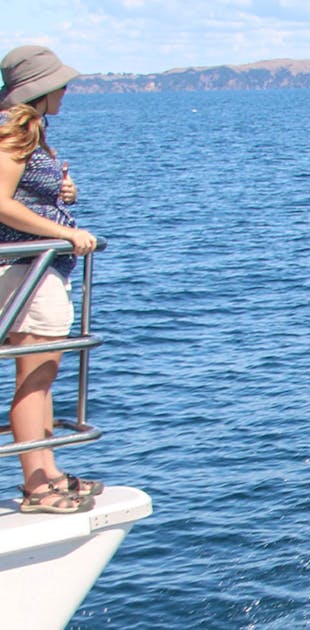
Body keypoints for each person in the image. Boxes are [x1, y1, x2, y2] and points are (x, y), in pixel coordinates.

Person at [0, 45, 101, 514]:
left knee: (43, 375)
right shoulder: (12, 131)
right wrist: (65, 231)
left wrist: (62, 193)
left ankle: (48, 474)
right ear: (39, 89)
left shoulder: (31, 132)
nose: (66, 90)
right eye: (60, 83)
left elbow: (23, 192)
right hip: (28, 270)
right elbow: (1, 202)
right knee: (34, 378)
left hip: (40, 269)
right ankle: (36, 486)